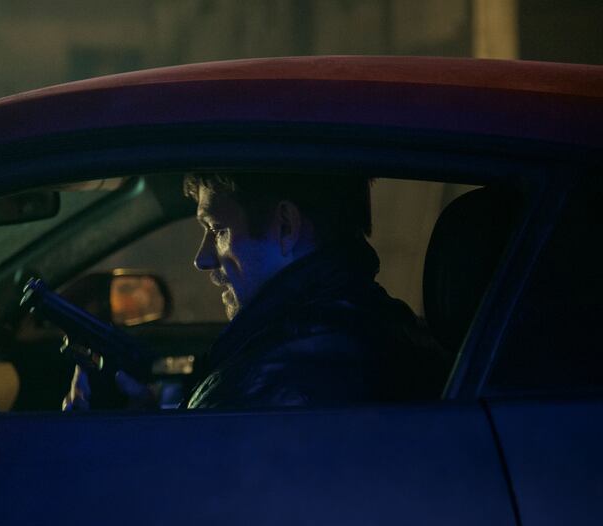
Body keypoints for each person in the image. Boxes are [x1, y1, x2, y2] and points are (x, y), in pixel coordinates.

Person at [69, 173, 450, 409]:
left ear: (285, 226)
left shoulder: (266, 382)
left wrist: (100, 444)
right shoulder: (373, 325)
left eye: (217, 230)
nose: (202, 259)